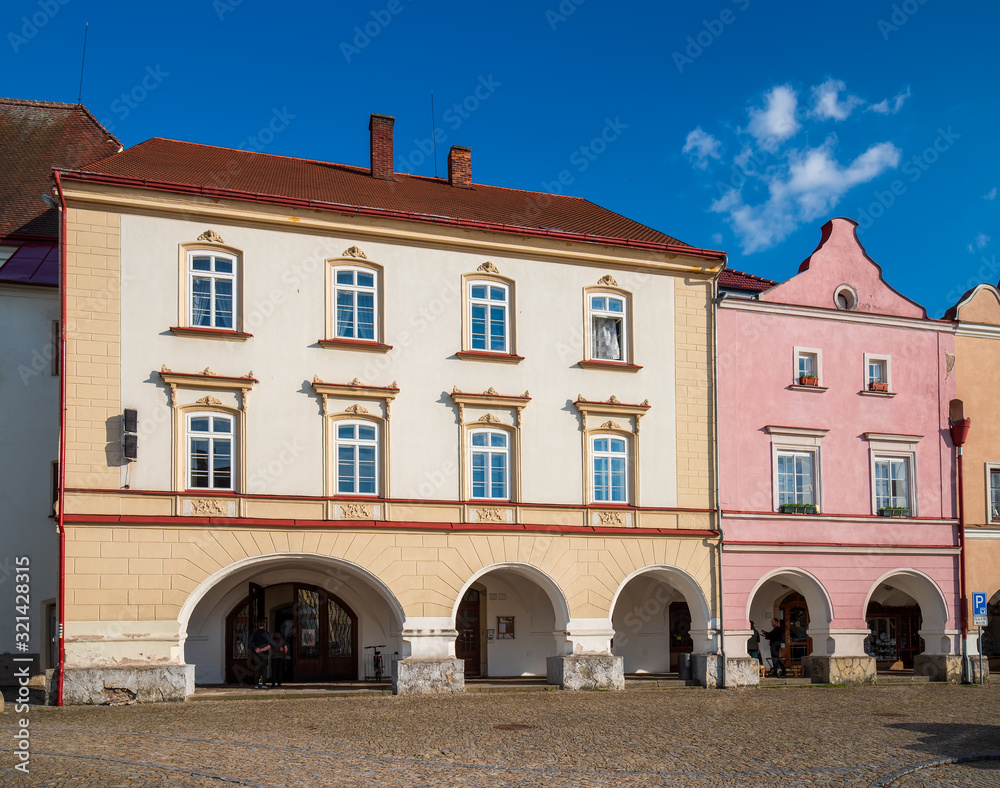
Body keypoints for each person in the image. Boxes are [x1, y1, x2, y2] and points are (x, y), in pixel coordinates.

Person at [247, 619, 272, 689]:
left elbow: (250, 641)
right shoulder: (267, 633)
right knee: (264, 669)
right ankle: (264, 684)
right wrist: (262, 649)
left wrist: (256, 648)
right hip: (264, 653)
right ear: (264, 625)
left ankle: (256, 684)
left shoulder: (255, 633)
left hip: (256, 653)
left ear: (258, 625)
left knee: (257, 669)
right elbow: (270, 644)